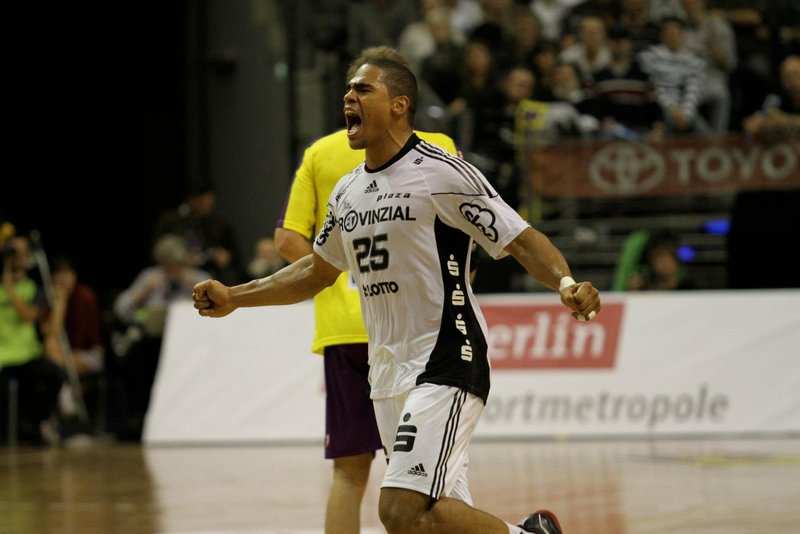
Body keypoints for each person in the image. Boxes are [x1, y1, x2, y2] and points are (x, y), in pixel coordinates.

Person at [194, 56, 600, 534]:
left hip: (446, 358)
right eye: (349, 89)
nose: (348, 96)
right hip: (385, 370)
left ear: (399, 105)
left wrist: (566, 284)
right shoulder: (347, 191)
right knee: (430, 518)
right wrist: (235, 296)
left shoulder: (441, 172)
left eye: (363, 89)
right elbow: (315, 271)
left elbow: (520, 238)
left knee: (398, 510)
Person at [275, 46, 460, 534]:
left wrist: (339, 271)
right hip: (423, 328)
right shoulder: (438, 144)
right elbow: (460, 230)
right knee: (431, 479)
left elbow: (288, 239)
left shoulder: (320, 153)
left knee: (349, 472)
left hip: (344, 329)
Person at [113, 233, 210, 440]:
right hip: (153, 341)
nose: (172, 270)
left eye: (176, 265)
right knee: (136, 356)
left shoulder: (198, 277)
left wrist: (193, 286)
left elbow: (216, 307)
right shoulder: (150, 277)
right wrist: (146, 291)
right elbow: (121, 308)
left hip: (189, 344)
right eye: (167, 265)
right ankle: (139, 417)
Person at [1, 233, 63, 444]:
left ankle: (36, 424)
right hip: (2, 357)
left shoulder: (34, 287)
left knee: (54, 375)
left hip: (26, 355)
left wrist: (8, 286)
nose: (20, 256)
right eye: (15, 252)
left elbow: (28, 315)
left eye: (24, 251)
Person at [153, 182, 245, 286]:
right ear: (190, 200)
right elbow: (161, 251)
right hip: (176, 275)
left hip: (212, 274)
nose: (206, 205)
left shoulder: (219, 223)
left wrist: (227, 255)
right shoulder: (171, 222)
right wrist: (183, 259)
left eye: (209, 202)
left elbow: (235, 253)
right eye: (202, 202)